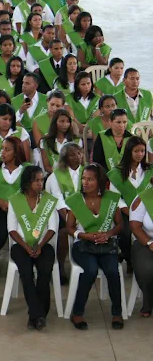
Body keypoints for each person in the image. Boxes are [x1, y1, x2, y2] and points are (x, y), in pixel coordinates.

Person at [66, 164, 124, 330]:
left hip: (106, 244)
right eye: (83, 178)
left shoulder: (112, 199)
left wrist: (108, 234)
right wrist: (85, 235)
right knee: (90, 270)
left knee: (113, 271)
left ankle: (117, 312)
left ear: (99, 181)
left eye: (90, 179)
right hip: (83, 245)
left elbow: (120, 224)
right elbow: (69, 228)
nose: (85, 182)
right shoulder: (76, 200)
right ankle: (77, 313)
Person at [8, 165, 58, 330]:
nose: (40, 184)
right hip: (20, 245)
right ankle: (38, 315)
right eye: (36, 180)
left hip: (44, 245)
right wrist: (26, 246)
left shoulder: (48, 200)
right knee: (26, 274)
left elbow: (52, 228)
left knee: (44, 273)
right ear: (27, 182)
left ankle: (35, 316)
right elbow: (12, 229)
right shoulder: (15, 199)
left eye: (42, 180)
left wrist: (40, 245)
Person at [0, 136, 30, 273]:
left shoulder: (28, 169)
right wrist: (0, 201)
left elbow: (32, 191)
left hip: (23, 209)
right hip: (0, 209)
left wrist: (16, 204)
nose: (2, 152)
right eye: (2, 149)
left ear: (16, 152)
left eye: (7, 150)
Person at [108, 136, 152, 275]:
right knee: (125, 232)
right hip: (125, 211)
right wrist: (128, 210)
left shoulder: (149, 170)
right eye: (136, 151)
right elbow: (115, 197)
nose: (140, 154)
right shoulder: (116, 173)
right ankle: (129, 259)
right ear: (129, 152)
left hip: (148, 211)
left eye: (143, 151)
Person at [129, 185, 153, 317]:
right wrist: (149, 242)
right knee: (146, 268)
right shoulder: (142, 198)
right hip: (145, 241)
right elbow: (135, 226)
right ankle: (149, 300)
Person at [40, 109, 81, 174]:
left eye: (68, 121)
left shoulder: (76, 140)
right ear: (55, 122)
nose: (65, 124)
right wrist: (59, 176)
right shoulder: (45, 141)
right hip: (54, 175)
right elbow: (47, 167)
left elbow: (81, 163)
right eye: (62, 121)